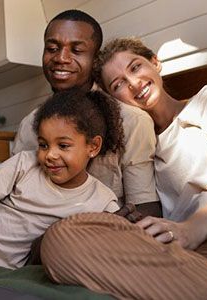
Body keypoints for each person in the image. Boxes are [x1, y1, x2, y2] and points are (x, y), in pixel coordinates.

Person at [92, 37, 207, 250]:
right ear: (114, 100)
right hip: (192, 249)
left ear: (155, 63)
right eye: (118, 84)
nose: (134, 83)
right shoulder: (138, 149)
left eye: (136, 67)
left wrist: (192, 229)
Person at [12, 10, 160, 216]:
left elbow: (145, 209)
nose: (61, 58)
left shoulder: (131, 122)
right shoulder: (29, 126)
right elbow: (14, 199)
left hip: (99, 238)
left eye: (77, 50)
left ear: (94, 59)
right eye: (52, 48)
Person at [0, 89, 123, 269]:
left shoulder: (103, 201)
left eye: (63, 146)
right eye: (43, 145)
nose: (50, 155)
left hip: (1, 270)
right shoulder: (24, 164)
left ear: (93, 146)